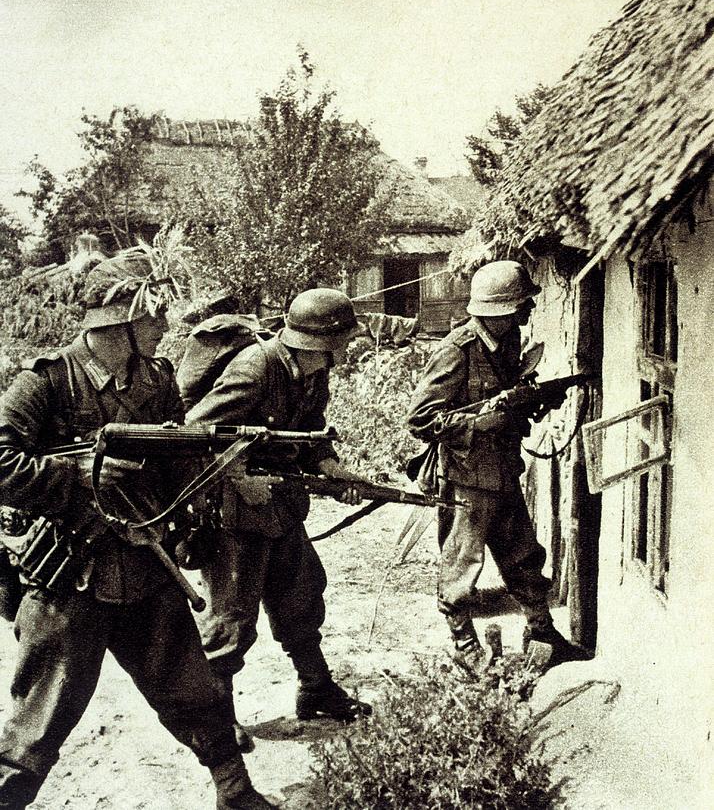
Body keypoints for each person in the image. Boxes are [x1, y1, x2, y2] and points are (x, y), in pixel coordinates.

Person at [0, 249, 273, 810]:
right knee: (40, 719)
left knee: (194, 690)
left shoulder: (157, 379)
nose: (167, 326)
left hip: (146, 566)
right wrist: (73, 472)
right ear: (119, 319)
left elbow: (176, 460)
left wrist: (221, 465)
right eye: (154, 315)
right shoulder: (49, 383)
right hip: (72, 574)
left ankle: (235, 791)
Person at [186, 288, 372, 728]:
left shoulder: (314, 371)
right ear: (323, 339)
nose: (345, 349)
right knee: (231, 619)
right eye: (342, 339)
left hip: (282, 507)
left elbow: (309, 435)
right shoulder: (256, 368)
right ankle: (218, 718)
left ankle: (315, 688)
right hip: (234, 511)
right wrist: (238, 478)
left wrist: (334, 470)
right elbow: (194, 434)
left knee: (301, 599)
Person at [407, 260, 589, 673]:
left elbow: (506, 403)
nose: (528, 312)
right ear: (502, 309)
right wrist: (482, 421)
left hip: (503, 471)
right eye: (523, 305)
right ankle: (466, 650)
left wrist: (533, 401)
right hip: (466, 479)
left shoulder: (506, 343)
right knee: (462, 567)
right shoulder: (457, 350)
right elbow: (420, 420)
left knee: (523, 556)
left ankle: (543, 634)